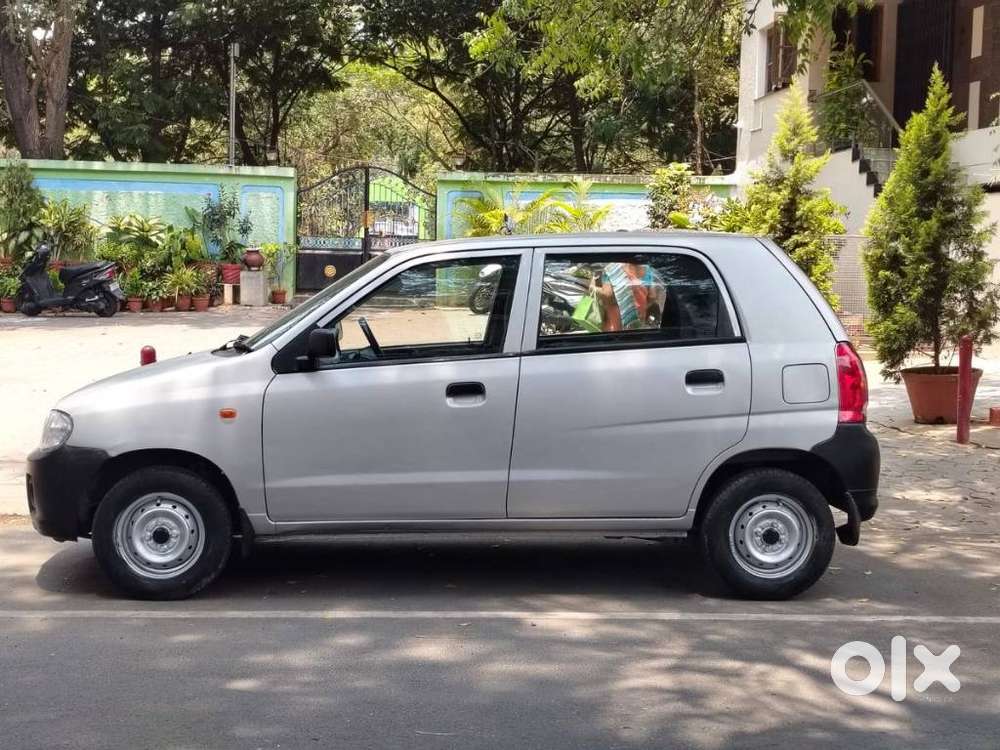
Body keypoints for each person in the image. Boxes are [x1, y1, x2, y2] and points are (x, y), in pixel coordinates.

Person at [592, 261, 665, 332]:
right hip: (637, 321)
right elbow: (653, 296)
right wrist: (639, 307)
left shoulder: (612, 269)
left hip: (615, 324)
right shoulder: (648, 270)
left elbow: (607, 295)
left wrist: (592, 288)